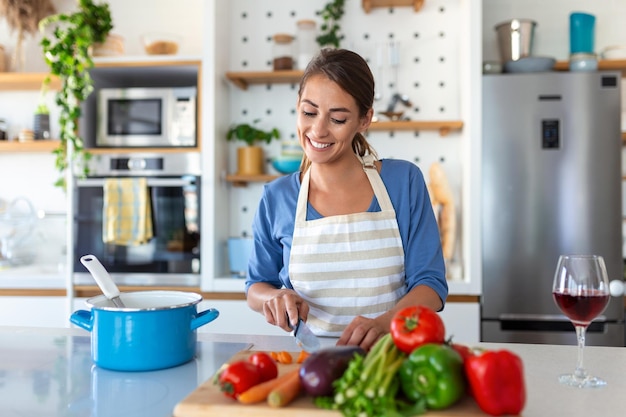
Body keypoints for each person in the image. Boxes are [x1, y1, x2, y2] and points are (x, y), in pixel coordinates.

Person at [245, 48, 448, 351]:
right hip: (312, 365)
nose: (317, 130)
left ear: (364, 120)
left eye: (337, 118)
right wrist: (273, 298)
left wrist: (384, 324)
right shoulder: (277, 197)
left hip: (391, 359)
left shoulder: (403, 182)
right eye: (309, 112)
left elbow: (431, 286)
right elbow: (256, 287)